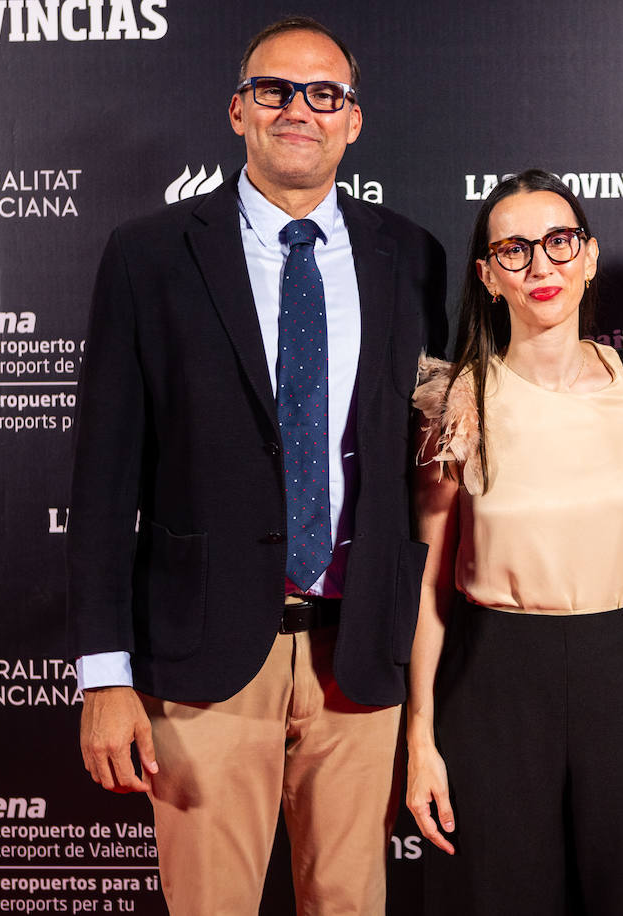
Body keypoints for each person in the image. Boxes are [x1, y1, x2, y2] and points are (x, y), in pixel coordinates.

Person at [67, 17, 445, 915]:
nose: (299, 110)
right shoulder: (149, 255)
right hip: (201, 657)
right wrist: (104, 676)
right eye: (275, 90)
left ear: (354, 121)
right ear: (239, 110)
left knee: (349, 904)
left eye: (325, 95)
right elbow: (100, 485)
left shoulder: (413, 257)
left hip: (359, 656)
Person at [406, 169, 623, 915]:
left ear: (591, 256)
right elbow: (428, 586)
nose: (542, 266)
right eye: (514, 250)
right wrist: (419, 737)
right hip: (494, 680)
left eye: (560, 242)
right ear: (487, 275)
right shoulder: (458, 401)